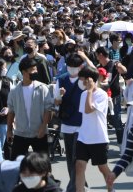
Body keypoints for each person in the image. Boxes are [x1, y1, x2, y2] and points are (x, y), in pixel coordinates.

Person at [7, 57, 54, 158]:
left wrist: (43, 126)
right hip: (20, 133)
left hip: (39, 132)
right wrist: (9, 130)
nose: (36, 72)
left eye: (36, 69)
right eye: (33, 69)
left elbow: (48, 109)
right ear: (24, 72)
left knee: (43, 165)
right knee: (16, 165)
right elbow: (11, 111)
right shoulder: (14, 91)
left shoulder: (42, 88)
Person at [74, 66, 111, 192]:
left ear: (90, 79)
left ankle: (111, 189)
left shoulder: (102, 95)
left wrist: (90, 91)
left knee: (102, 168)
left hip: (98, 138)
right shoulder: (83, 94)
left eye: (83, 79)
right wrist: (88, 92)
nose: (82, 82)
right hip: (83, 137)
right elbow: (84, 113)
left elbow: (88, 110)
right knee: (79, 166)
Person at [53, 53, 86, 192]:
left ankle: (73, 187)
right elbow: (56, 102)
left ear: (81, 67)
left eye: (75, 67)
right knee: (70, 159)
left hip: (82, 125)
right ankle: (79, 184)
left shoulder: (85, 80)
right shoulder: (61, 80)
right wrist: (60, 95)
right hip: (67, 124)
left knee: (77, 159)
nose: (72, 69)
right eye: (70, 66)